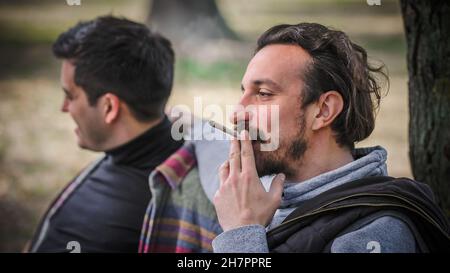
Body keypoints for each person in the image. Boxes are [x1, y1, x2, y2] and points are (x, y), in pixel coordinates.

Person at [211, 23, 450, 253]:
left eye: (264, 94)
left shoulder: (376, 232)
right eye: (244, 92)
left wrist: (240, 236)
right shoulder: (251, 204)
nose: (235, 114)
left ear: (324, 110)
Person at [29, 16, 182, 252]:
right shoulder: (174, 148)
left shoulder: (106, 227)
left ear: (109, 107)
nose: (63, 108)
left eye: (70, 96)